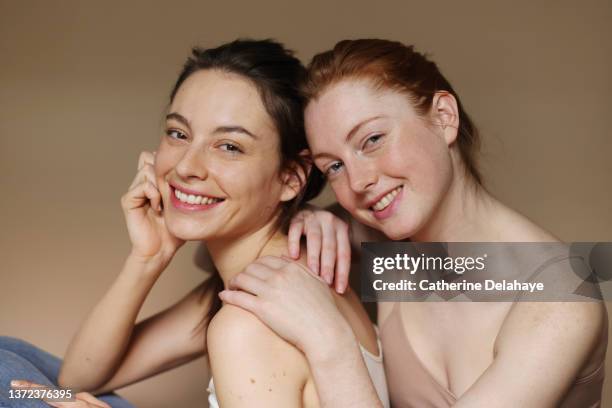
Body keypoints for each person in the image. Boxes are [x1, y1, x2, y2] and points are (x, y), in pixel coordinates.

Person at [221, 39, 608, 407]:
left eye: (372, 139)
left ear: (444, 117)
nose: (357, 183)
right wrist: (311, 220)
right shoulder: (383, 240)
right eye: (334, 166)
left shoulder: (560, 298)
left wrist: (331, 345)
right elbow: (238, 246)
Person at [5, 39, 389, 408]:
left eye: (229, 147)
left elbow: (445, 274)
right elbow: (78, 379)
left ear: (291, 178)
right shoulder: (258, 283)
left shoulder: (249, 321)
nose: (186, 167)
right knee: (10, 362)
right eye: (178, 133)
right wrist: (148, 257)